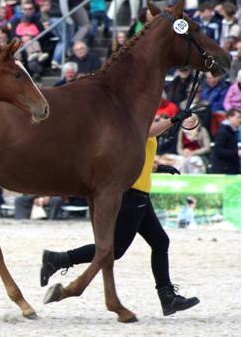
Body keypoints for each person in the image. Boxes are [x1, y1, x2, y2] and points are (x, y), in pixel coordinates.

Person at [40, 110, 201, 316]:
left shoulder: (140, 125)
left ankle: (167, 297)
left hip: (141, 196)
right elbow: (149, 132)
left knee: (160, 242)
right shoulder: (135, 124)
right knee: (115, 250)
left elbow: (137, 155)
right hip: (131, 196)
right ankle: (59, 259)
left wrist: (158, 167)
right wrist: (174, 120)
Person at [210, 108, 241, 174]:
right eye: (238, 117)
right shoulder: (222, 132)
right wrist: (237, 153)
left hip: (230, 170)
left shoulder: (232, 131)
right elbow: (218, 151)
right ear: (229, 117)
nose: (240, 120)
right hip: (223, 171)